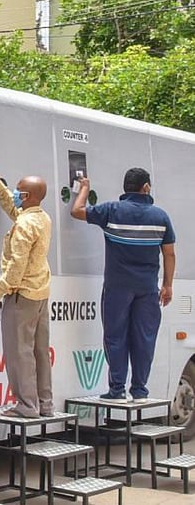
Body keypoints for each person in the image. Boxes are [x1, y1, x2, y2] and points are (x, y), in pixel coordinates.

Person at [70, 168, 175, 403]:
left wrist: (85, 187)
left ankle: (116, 390)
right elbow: (169, 254)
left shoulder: (111, 211)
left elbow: (76, 211)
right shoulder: (160, 217)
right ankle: (139, 391)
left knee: (115, 336)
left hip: (117, 287)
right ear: (146, 187)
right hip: (147, 288)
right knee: (144, 337)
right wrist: (167, 285)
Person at [0, 161, 53, 418]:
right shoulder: (41, 218)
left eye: (18, 190)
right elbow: (14, 209)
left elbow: (16, 265)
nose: (15, 192)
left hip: (21, 294)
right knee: (39, 351)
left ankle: (26, 405)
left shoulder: (24, 225)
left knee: (18, 352)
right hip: (41, 293)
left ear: (29, 196)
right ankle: (45, 404)